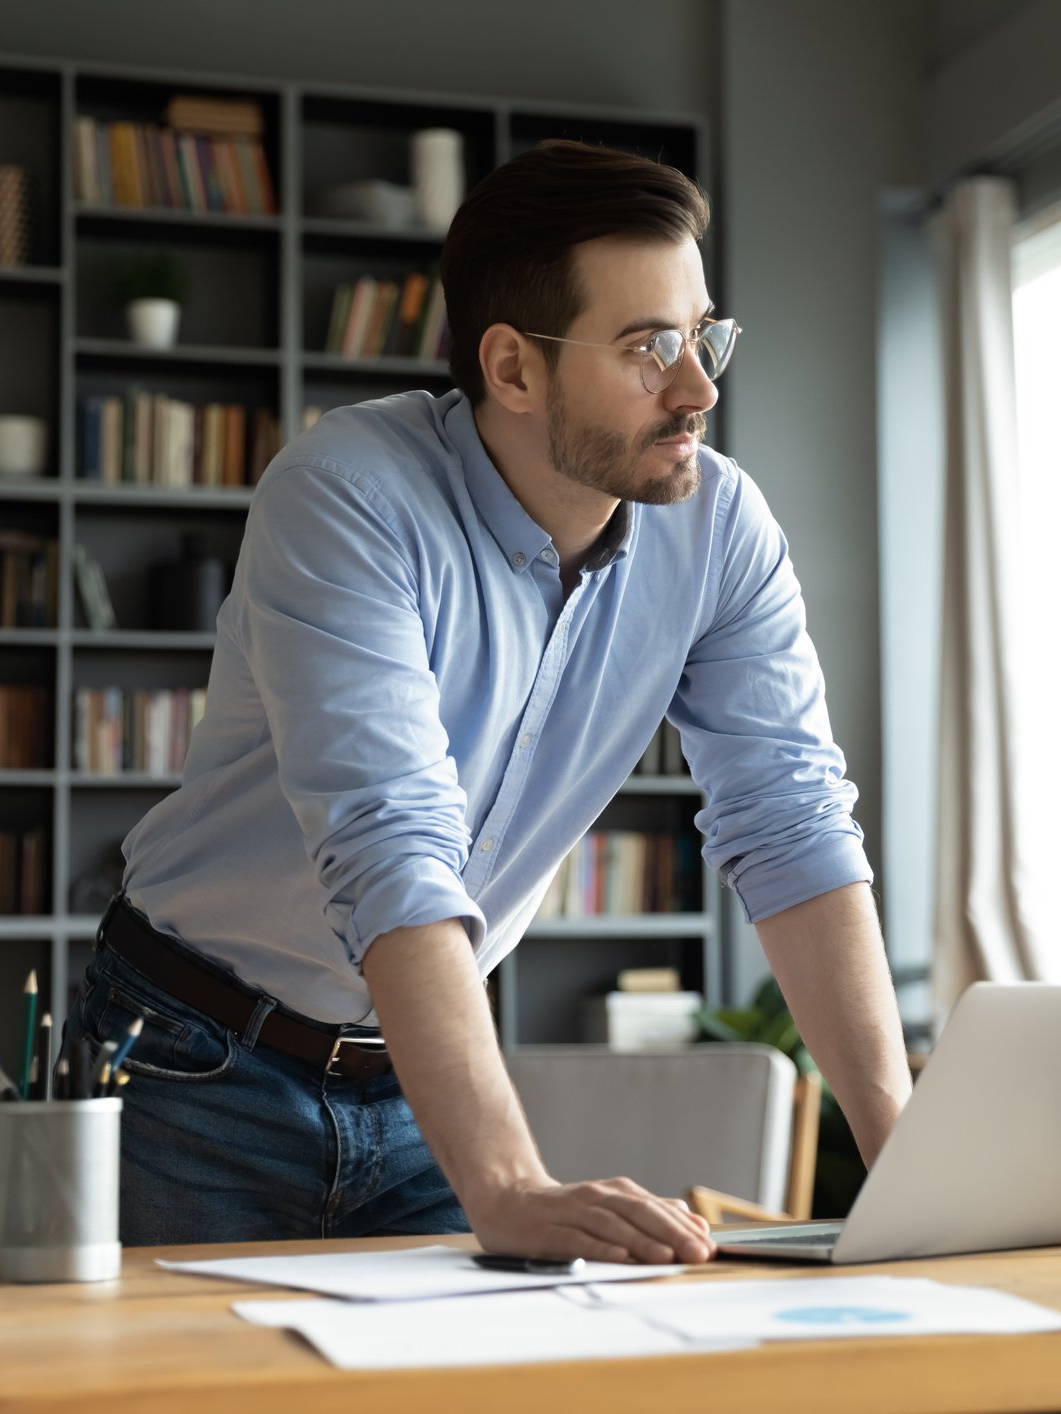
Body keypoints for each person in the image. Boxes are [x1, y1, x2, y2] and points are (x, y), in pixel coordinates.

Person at [77, 140, 911, 1264]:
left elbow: (793, 819)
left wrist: (909, 1162)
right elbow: (391, 840)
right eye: (650, 347)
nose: (700, 389)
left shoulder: (721, 528)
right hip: (194, 1064)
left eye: (704, 335)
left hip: (417, 1079)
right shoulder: (346, 496)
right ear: (513, 369)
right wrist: (509, 1180)